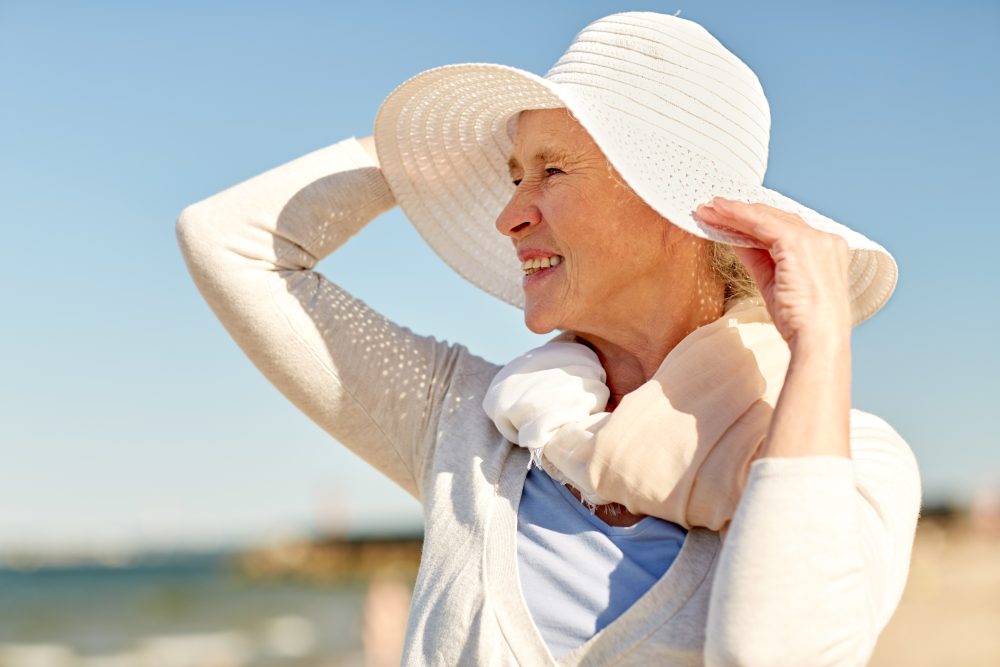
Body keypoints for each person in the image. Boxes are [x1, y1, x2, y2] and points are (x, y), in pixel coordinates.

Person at [176, 11, 921, 666]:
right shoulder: (469, 425)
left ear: (678, 209)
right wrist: (408, 155)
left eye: (552, 169)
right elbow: (227, 243)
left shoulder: (850, 461)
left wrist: (821, 341)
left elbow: (772, 652)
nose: (508, 216)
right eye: (510, 176)